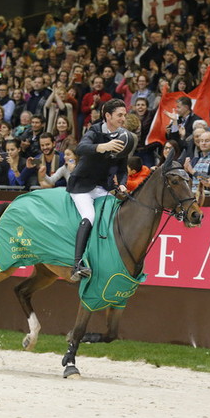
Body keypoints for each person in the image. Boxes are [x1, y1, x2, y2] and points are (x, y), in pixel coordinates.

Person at [66, 98, 131, 281]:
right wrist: (103, 147)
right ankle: (77, 264)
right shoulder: (94, 130)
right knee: (90, 216)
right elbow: (81, 148)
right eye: (120, 115)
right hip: (82, 186)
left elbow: (122, 168)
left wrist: (123, 183)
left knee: (114, 215)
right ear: (108, 116)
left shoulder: (124, 136)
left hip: (102, 187)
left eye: (124, 115)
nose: (123, 119)